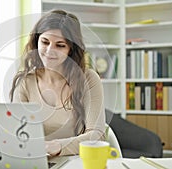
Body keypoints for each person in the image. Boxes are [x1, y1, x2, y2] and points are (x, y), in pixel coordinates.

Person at [10, 9, 106, 156]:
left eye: (60, 45)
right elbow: (17, 134)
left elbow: (97, 135)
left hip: (75, 161)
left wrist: (58, 146)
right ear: (37, 42)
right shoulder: (25, 82)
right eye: (45, 42)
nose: (50, 51)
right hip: (35, 161)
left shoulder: (88, 79)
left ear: (71, 50)